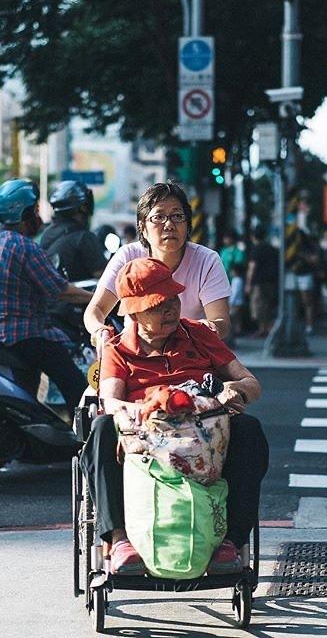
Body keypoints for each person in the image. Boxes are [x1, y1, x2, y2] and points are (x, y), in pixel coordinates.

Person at [80, 258, 269, 574]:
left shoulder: (199, 334)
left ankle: (231, 542)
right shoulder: (117, 350)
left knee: (249, 430)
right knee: (100, 429)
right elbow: (110, 402)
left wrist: (231, 389)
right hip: (146, 437)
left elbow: (253, 384)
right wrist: (152, 406)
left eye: (173, 300)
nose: (169, 309)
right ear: (135, 312)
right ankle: (119, 539)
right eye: (157, 305)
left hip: (204, 431)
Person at [0, 179, 93, 415]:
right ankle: (85, 432)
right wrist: (98, 299)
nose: (39, 217)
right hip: (18, 334)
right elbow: (61, 291)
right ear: (24, 214)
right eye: (35, 211)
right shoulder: (24, 247)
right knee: (74, 384)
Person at [84, 182, 232, 349]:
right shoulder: (128, 256)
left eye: (177, 216)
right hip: (137, 357)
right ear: (142, 226)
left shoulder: (207, 260)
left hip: (191, 356)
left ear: (188, 224)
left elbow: (221, 323)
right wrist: (99, 331)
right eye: (158, 217)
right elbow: (95, 310)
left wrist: (206, 328)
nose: (169, 225)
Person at [39, 180, 108, 281]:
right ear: (83, 207)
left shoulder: (46, 233)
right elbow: (104, 275)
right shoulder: (84, 237)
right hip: (81, 295)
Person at [245, 226, 279, 338]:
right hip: (271, 281)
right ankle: (266, 328)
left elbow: (252, 267)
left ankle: (263, 328)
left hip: (258, 282)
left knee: (258, 306)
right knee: (267, 305)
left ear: (253, 236)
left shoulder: (256, 249)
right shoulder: (271, 248)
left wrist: (248, 284)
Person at [229, 263, 245, 339]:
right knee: (237, 317)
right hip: (238, 301)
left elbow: (235, 292)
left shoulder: (237, 280)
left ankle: (237, 331)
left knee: (234, 317)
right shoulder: (239, 280)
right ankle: (237, 330)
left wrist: (231, 302)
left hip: (236, 302)